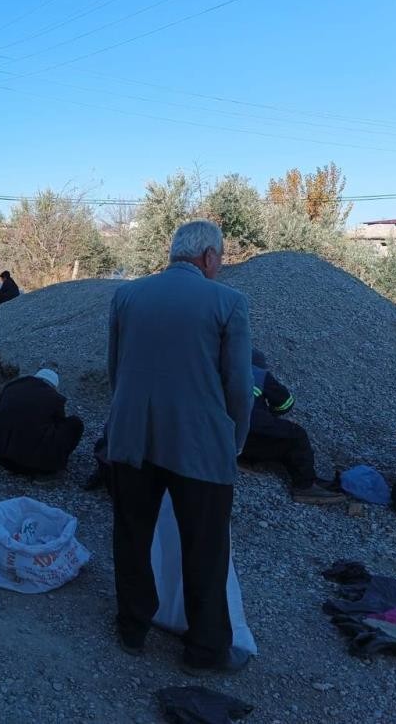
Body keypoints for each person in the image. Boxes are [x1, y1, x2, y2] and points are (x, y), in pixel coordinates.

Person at [106, 219, 254, 675]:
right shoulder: (229, 302)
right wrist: (235, 442)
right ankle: (205, 650)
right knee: (205, 547)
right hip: (200, 445)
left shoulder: (127, 296)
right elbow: (239, 386)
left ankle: (132, 628)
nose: (221, 266)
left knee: (131, 536)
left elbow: (116, 368)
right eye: (221, 259)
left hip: (131, 438)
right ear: (209, 257)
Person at [239, 349, 345, 505]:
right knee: (296, 435)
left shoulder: (223, 370)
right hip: (251, 429)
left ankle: (246, 458)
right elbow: (285, 403)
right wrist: (270, 414)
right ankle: (305, 486)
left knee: (274, 437)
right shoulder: (259, 374)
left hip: (224, 435)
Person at [0, 369, 85, 477]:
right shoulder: (55, 398)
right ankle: (52, 465)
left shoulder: (11, 388)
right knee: (75, 424)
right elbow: (58, 423)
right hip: (33, 467)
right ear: (54, 386)